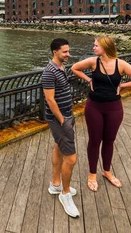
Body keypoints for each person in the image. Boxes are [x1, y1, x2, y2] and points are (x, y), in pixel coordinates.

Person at [71, 36, 131, 192]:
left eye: (96, 45)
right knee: (94, 141)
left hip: (114, 108)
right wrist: (88, 80)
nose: (93, 48)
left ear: (105, 47)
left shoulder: (121, 64)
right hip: (94, 107)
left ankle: (106, 171)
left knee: (109, 140)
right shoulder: (94, 62)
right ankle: (92, 174)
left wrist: (123, 86)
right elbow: (74, 68)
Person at [42, 38, 79, 218]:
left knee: (58, 146)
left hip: (65, 115)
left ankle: (55, 184)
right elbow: (49, 99)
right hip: (60, 119)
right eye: (65, 52)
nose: (68, 54)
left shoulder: (61, 68)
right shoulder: (49, 72)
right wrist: (63, 120)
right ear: (55, 52)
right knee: (71, 159)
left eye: (68, 51)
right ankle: (65, 194)